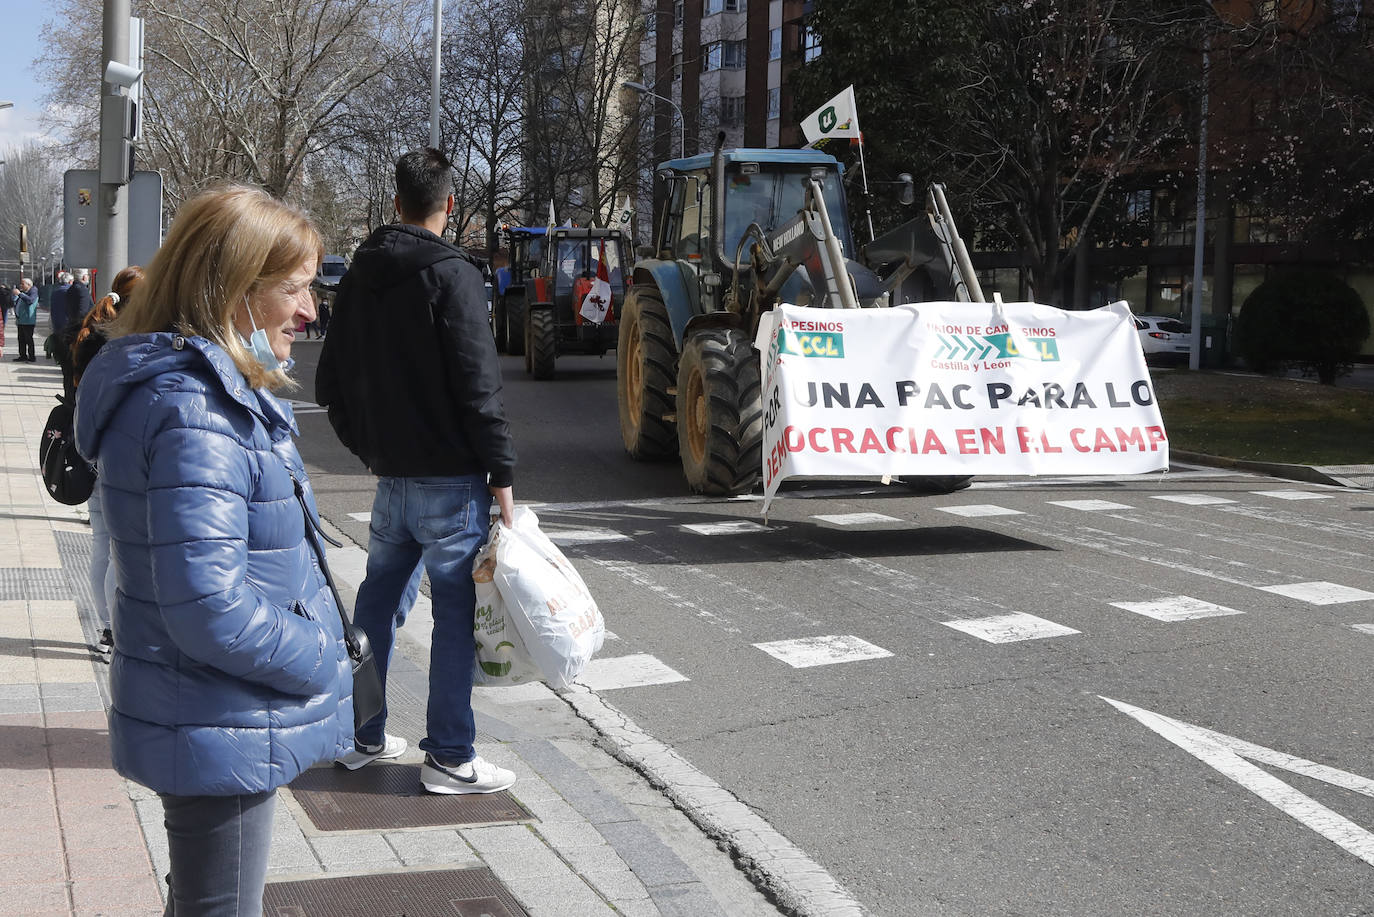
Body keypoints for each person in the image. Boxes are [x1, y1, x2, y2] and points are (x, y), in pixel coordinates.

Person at [73, 186, 352, 915]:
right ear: (231, 288)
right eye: (292, 288)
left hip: (213, 710)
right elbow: (209, 607)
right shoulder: (195, 409)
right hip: (215, 714)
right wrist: (322, 653)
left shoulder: (201, 395)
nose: (310, 309)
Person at [316, 147, 517, 795]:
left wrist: (372, 448)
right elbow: (479, 384)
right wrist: (501, 472)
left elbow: (330, 385)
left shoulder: (358, 275)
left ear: (395, 201)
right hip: (451, 482)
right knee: (455, 616)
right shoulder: (452, 274)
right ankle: (451, 755)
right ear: (449, 204)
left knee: (377, 605)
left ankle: (363, 734)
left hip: (392, 480)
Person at [71, 265, 145, 654]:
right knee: (119, 547)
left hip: (90, 449)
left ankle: (106, 627)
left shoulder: (90, 332)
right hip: (116, 455)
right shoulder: (126, 341)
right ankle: (115, 629)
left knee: (103, 543)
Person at [12, 278, 38, 361]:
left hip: (28, 320)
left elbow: (30, 301)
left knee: (28, 339)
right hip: (21, 320)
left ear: (29, 285)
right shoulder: (23, 293)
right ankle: (22, 355)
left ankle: (31, 356)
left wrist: (20, 294)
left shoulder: (33, 292)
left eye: (23, 284)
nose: (21, 286)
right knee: (21, 339)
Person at [50, 271, 73, 345]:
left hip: (56, 322)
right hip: (68, 321)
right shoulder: (71, 291)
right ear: (70, 281)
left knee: (59, 343)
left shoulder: (55, 292)